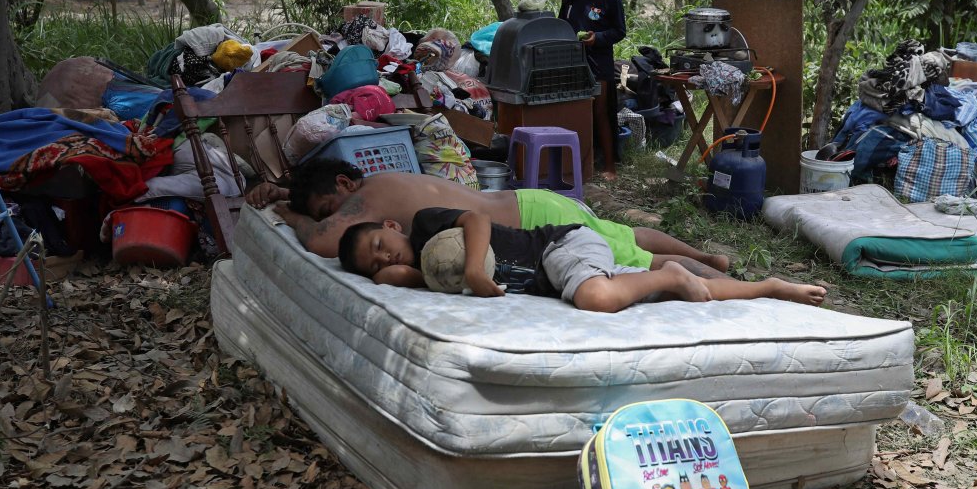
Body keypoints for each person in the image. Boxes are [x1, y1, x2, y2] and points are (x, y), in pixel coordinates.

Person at [251, 159, 730, 277]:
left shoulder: (368, 197)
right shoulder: (386, 181)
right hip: (530, 201)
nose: (336, 218)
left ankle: (725, 287)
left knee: (637, 261)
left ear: (344, 184)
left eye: (329, 209)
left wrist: (287, 213)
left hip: (531, 222)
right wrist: (290, 195)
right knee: (623, 234)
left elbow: (323, 241)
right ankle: (707, 256)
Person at [335, 208, 827, 313]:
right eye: (373, 263)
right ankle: (770, 286)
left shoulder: (425, 225)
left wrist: (473, 269)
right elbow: (403, 276)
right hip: (556, 278)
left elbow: (476, 220)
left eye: (379, 243)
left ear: (391, 225)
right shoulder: (429, 274)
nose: (384, 256)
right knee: (680, 294)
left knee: (595, 297)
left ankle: (674, 270)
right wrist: (388, 274)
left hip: (559, 246)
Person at [560, 0, 626, 180]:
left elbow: (619, 31)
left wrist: (597, 38)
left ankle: (609, 166)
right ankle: (578, 165)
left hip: (599, 63)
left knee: (600, 112)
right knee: (575, 112)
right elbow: (561, 24)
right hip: (572, 61)